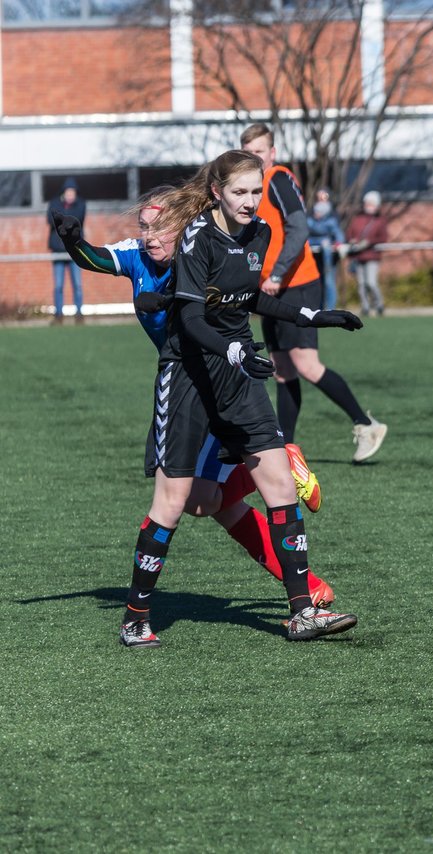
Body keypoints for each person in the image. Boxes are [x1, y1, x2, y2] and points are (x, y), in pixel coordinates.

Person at [115, 149, 364, 646]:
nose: (250, 202)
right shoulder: (195, 237)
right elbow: (189, 319)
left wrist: (313, 317)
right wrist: (234, 351)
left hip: (238, 372)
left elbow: (247, 298)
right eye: (240, 192)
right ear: (217, 193)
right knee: (176, 500)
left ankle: (301, 613)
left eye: (256, 191)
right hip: (188, 376)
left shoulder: (260, 233)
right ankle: (135, 617)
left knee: (279, 486)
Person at [51, 187, 337, 609]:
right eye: (144, 226)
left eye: (160, 227)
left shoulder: (199, 251)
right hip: (186, 382)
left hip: (220, 380)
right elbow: (94, 258)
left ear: (182, 226)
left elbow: (244, 298)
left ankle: (299, 570)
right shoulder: (137, 255)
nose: (149, 236)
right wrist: (74, 241)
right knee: (208, 503)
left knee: (198, 501)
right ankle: (307, 582)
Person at [241, 123, 387, 463]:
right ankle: (283, 448)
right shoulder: (247, 189)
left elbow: (299, 227)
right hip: (269, 291)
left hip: (296, 284)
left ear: (272, 153)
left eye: (259, 151)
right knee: (282, 369)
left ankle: (366, 424)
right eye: (248, 152)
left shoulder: (276, 178)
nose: (254, 158)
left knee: (306, 365)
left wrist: (277, 272)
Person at [47, 177, 87, 324]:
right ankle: (58, 315)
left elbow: (77, 220)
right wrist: (66, 220)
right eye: (69, 192)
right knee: (58, 286)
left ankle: (79, 315)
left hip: (74, 249)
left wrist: (62, 220)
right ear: (64, 192)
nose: (71, 195)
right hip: (58, 250)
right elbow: (50, 221)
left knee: (77, 285)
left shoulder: (81, 204)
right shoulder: (54, 203)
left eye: (73, 192)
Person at [346, 191, 390, 317]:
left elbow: (383, 237)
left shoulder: (380, 220)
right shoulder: (357, 219)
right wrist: (352, 241)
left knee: (371, 282)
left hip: (372, 256)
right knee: (361, 284)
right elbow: (350, 234)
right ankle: (365, 307)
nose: (368, 206)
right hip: (358, 256)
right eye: (367, 203)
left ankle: (379, 304)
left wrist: (369, 242)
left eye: (371, 203)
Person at [307, 187, 345, 311]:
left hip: (329, 256)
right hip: (315, 257)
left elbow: (338, 235)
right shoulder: (310, 220)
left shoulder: (332, 219)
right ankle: (317, 307)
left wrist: (337, 243)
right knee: (316, 282)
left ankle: (330, 308)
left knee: (329, 281)